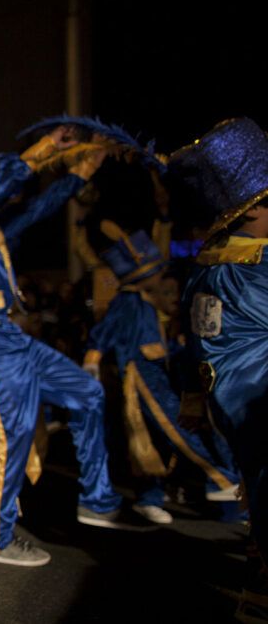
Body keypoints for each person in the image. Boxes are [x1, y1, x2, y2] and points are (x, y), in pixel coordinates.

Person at [0, 121, 125, 567]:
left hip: (11, 335)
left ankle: (97, 498)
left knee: (88, 393)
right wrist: (46, 148)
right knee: (8, 437)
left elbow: (39, 207)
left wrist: (81, 172)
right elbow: (7, 189)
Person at [84, 223, 239, 524]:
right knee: (173, 425)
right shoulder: (128, 300)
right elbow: (102, 334)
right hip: (140, 373)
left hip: (158, 369)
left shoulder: (147, 302)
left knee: (154, 437)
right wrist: (92, 361)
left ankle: (151, 497)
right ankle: (220, 479)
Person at [174, 118, 268, 616]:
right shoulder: (257, 267)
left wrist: (193, 397)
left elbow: (192, 344)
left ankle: (255, 598)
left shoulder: (208, 268)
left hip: (230, 399)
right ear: (252, 212)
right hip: (257, 395)